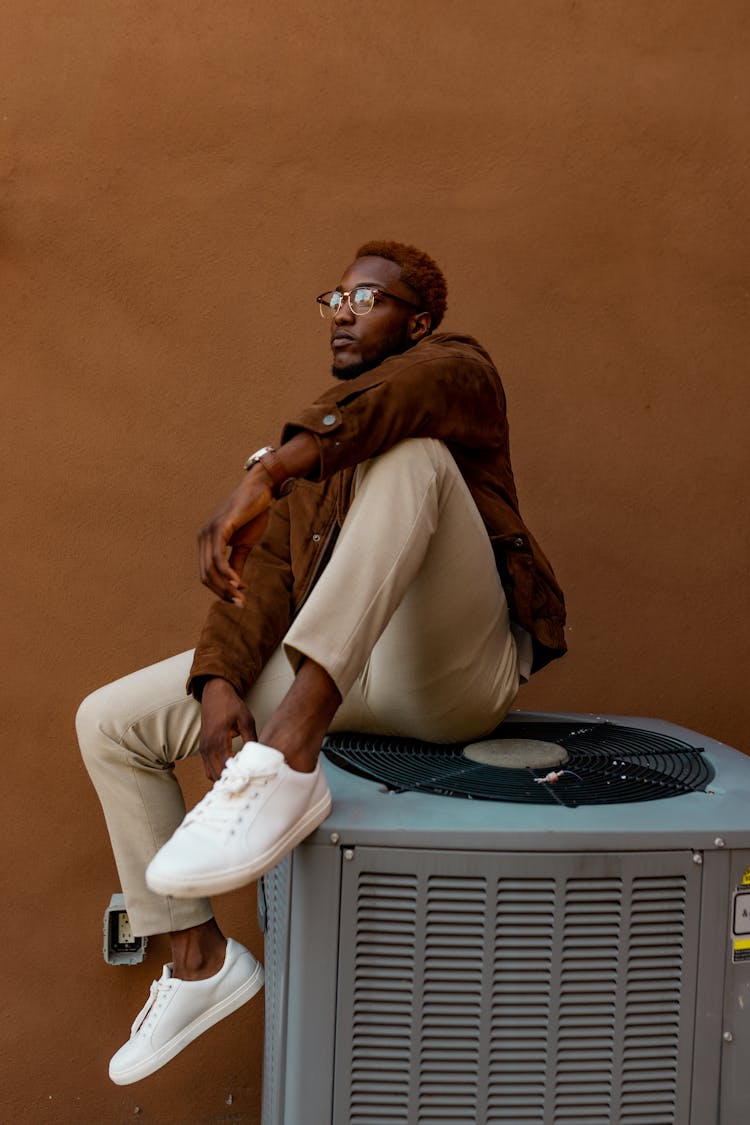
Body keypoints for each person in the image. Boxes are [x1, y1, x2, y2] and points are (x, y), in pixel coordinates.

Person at [77, 239, 566, 1086]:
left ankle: (292, 755)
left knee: (413, 456)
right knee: (109, 720)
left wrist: (270, 468)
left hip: (449, 674)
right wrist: (221, 685)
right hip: (343, 669)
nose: (343, 310)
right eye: (334, 297)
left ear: (415, 321)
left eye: (367, 299)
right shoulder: (311, 453)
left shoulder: (455, 372)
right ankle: (197, 959)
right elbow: (262, 585)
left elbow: (399, 401)